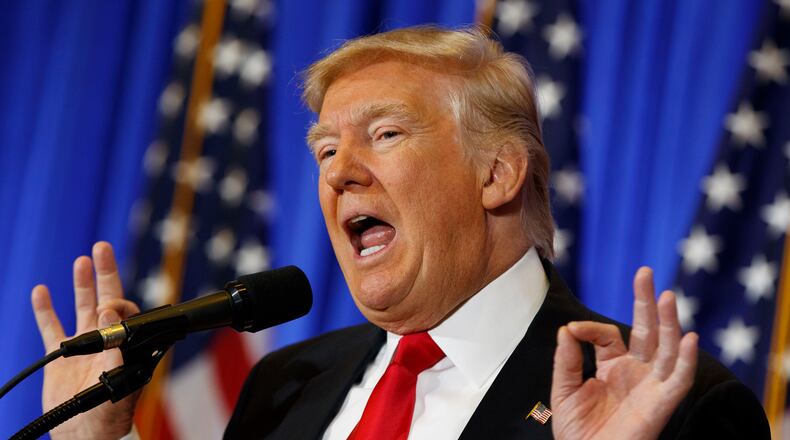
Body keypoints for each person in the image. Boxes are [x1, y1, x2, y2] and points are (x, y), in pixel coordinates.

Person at [31, 26, 769, 439]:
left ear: (498, 174)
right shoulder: (283, 389)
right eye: (324, 150)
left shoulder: (668, 409)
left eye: (384, 134)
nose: (339, 174)